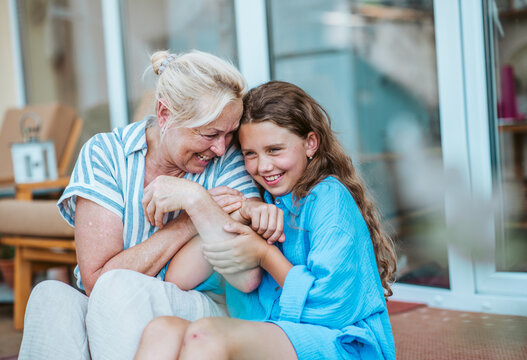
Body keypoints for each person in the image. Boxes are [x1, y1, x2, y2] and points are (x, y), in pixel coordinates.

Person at [18, 50, 275, 360]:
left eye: (229, 133)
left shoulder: (228, 159)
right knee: (50, 296)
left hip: (201, 306)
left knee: (120, 289)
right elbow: (96, 281)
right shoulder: (106, 154)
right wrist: (190, 220)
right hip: (112, 303)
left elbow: (246, 272)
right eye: (209, 133)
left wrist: (194, 198)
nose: (221, 147)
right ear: (164, 115)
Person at [135, 80, 398, 359]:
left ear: (310, 143)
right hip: (274, 335)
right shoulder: (258, 205)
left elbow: (331, 308)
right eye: (250, 154)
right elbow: (179, 278)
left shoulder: (329, 199)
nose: (263, 166)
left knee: (206, 335)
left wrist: (264, 254)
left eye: (274, 150)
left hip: (341, 343)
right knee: (161, 330)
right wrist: (205, 205)